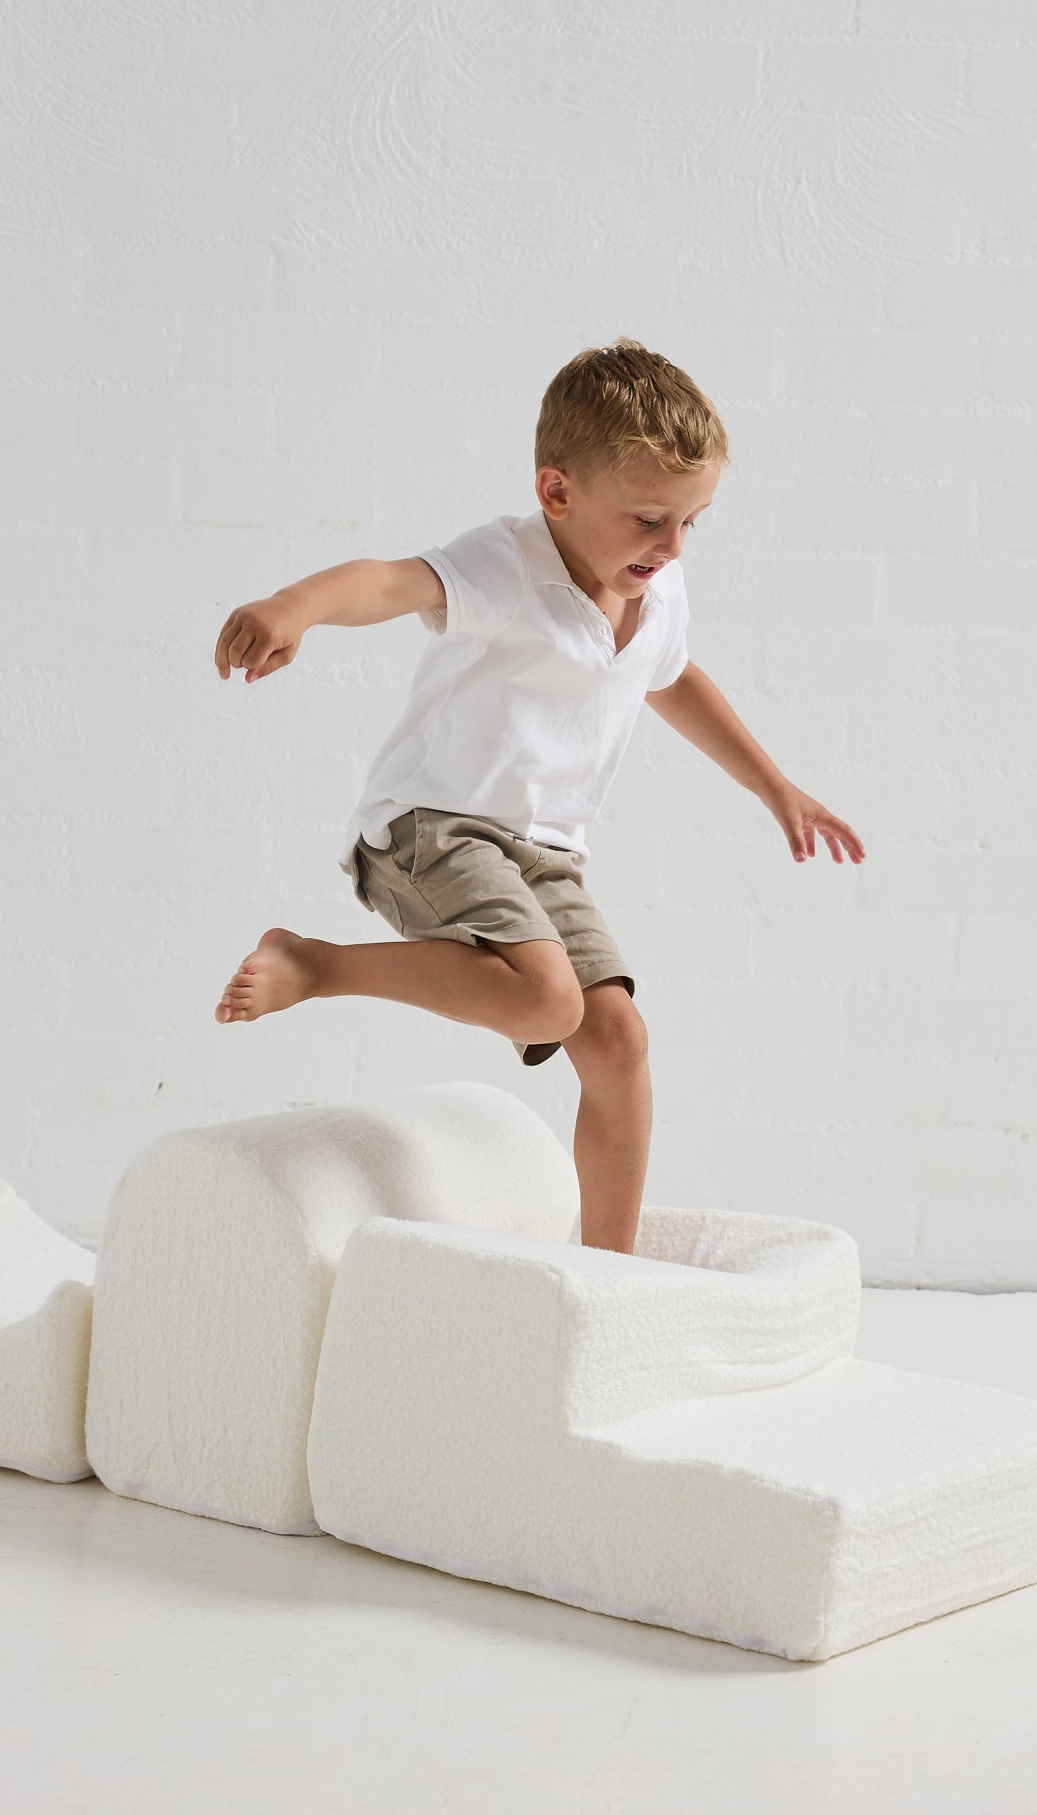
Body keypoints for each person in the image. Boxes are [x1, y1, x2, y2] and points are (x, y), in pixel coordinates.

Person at [210, 337, 864, 1253]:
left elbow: (672, 679)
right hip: (432, 826)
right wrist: (295, 608)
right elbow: (389, 582)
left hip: (546, 851)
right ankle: (316, 965)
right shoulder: (505, 564)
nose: (673, 545)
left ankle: (609, 1272)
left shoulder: (657, 589)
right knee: (549, 1001)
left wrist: (775, 787)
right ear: (557, 492)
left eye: (693, 521)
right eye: (649, 519)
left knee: (619, 1041)